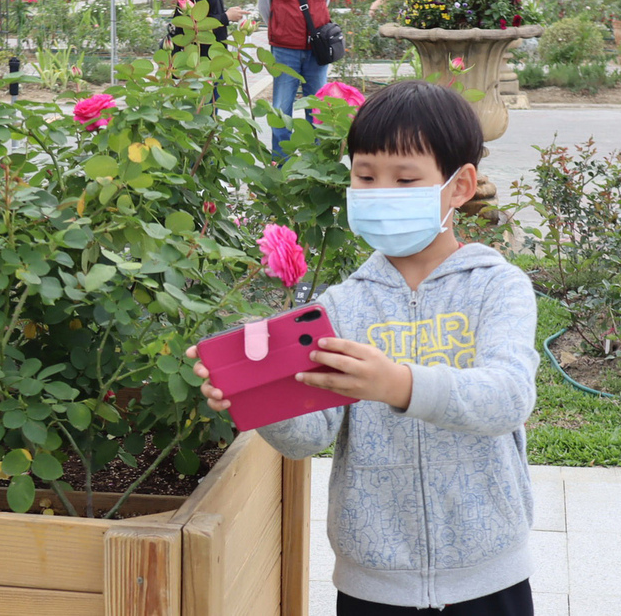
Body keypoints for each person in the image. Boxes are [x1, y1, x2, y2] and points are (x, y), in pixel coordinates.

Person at [188, 80, 540, 614]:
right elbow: (310, 437)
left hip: (487, 574)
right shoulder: (344, 305)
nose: (380, 193)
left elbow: (508, 397)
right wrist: (257, 394)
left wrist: (398, 385)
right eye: (365, 176)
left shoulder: (496, 286)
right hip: (373, 581)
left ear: (460, 186)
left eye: (405, 179)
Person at [257, 0, 334, 158]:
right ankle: (282, 165)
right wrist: (282, 26)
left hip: (316, 47)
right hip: (285, 48)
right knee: (282, 108)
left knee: (317, 108)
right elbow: (264, 4)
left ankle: (316, 163)